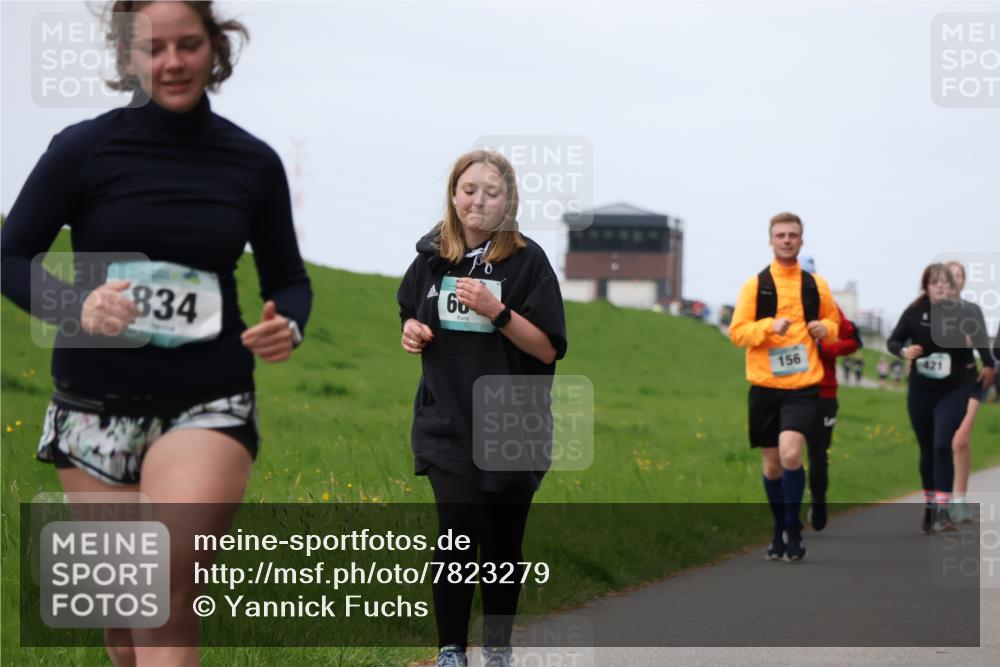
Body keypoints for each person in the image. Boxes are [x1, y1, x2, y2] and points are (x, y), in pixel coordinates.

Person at [0, 2, 312, 663]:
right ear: (128, 56)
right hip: (92, 410)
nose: (172, 61)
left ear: (215, 48)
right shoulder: (83, 149)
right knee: (124, 622)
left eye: (188, 44)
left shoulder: (251, 162)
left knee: (166, 593)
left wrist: (290, 325)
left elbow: (288, 279)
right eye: (153, 47)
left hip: (209, 402)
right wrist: (74, 304)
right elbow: (10, 256)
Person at [397, 150, 567, 667]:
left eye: (492, 192)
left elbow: (547, 348)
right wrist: (411, 330)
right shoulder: (431, 257)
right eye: (469, 189)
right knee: (457, 527)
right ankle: (451, 650)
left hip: (512, 421)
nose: (478, 199)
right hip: (446, 420)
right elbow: (411, 312)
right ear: (454, 194)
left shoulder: (527, 262)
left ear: (508, 201)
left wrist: (497, 312)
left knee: (500, 544)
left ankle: (497, 649)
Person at [729, 213, 840, 562]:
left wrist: (825, 328)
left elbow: (835, 323)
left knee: (792, 453)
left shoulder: (816, 285)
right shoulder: (755, 285)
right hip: (764, 384)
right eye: (781, 235)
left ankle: (793, 529)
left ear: (802, 241)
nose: (787, 240)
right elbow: (737, 332)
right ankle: (779, 529)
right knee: (772, 465)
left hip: (804, 384)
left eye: (793, 235)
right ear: (771, 241)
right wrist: (768, 328)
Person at [887, 264, 994, 534]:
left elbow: (984, 346)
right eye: (934, 282)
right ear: (926, 285)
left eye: (945, 282)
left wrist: (989, 366)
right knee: (927, 450)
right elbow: (893, 341)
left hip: (955, 389)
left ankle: (944, 512)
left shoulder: (965, 313)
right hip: (922, 391)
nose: (941, 286)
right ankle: (930, 506)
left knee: (942, 445)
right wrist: (905, 351)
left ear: (952, 286)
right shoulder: (914, 312)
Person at [798, 257, 862, 531]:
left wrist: (826, 348)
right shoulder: (777, 308)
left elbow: (854, 341)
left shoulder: (829, 309)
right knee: (788, 453)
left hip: (823, 392)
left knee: (817, 454)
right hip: (786, 391)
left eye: (808, 279)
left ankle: (819, 500)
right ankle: (790, 511)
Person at [945, 261, 995, 522]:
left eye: (959, 276)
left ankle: (960, 500)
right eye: (950, 276)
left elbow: (983, 345)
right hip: (942, 385)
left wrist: (988, 365)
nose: (955, 280)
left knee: (961, 439)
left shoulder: (972, 310)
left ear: (964, 282)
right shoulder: (931, 311)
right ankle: (941, 498)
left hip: (969, 380)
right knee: (944, 442)